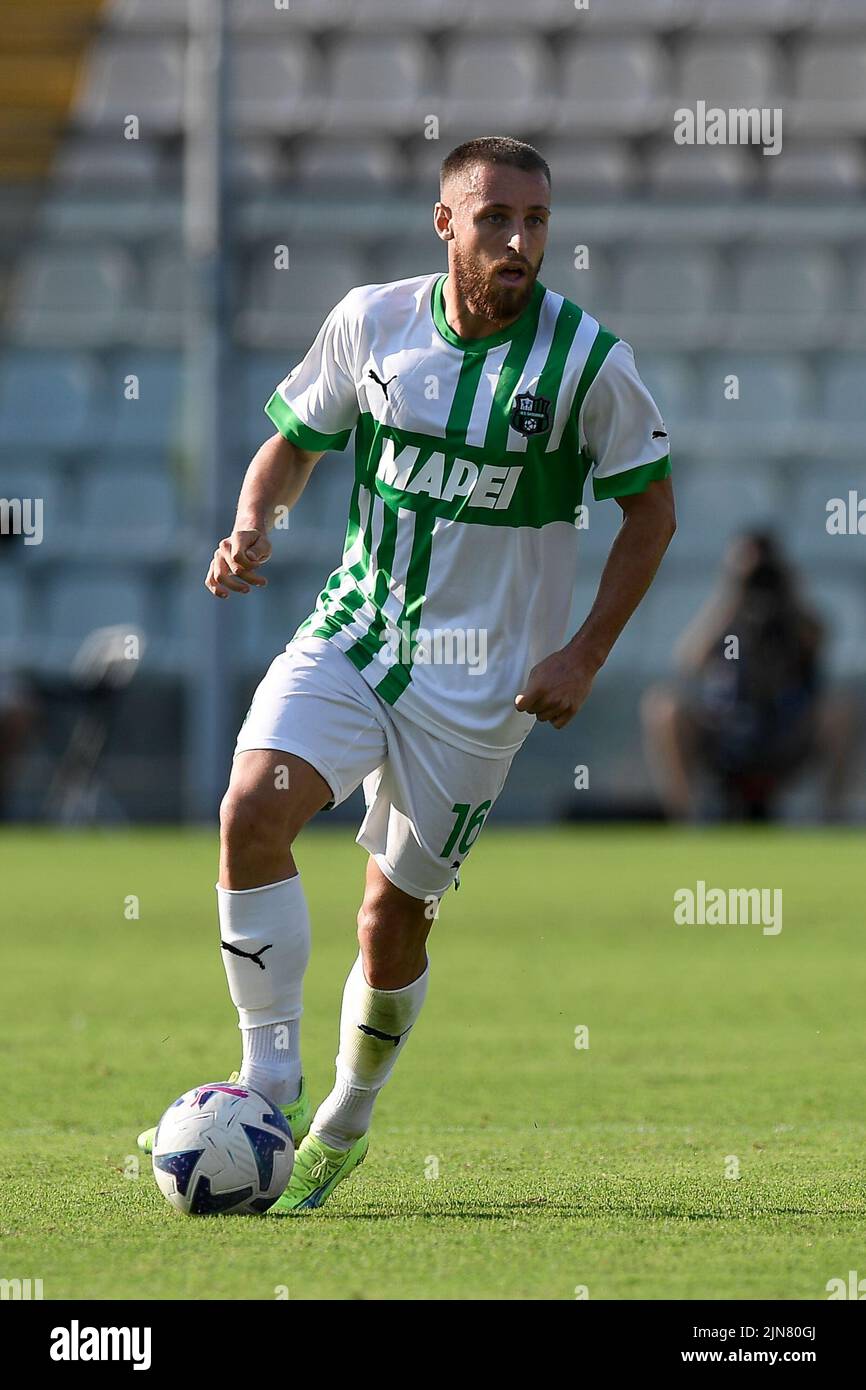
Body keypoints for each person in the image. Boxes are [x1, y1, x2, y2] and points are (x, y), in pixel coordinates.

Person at [138, 136, 675, 1211]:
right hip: (359, 630)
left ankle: (348, 1110)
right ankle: (270, 1080)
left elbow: (649, 514)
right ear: (445, 225)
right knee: (251, 807)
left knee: (390, 922)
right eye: (496, 220)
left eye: (536, 221)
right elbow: (295, 440)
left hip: (481, 686)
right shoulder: (371, 321)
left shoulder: (586, 364)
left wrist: (582, 652)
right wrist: (253, 523)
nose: (520, 241)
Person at [642, 530, 857, 821]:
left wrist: (790, 595)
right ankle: (685, 818)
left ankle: (832, 815)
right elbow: (689, 661)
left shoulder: (795, 616)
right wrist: (730, 597)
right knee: (664, 708)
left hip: (785, 731)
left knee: (842, 710)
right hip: (726, 730)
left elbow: (818, 639)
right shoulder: (726, 615)